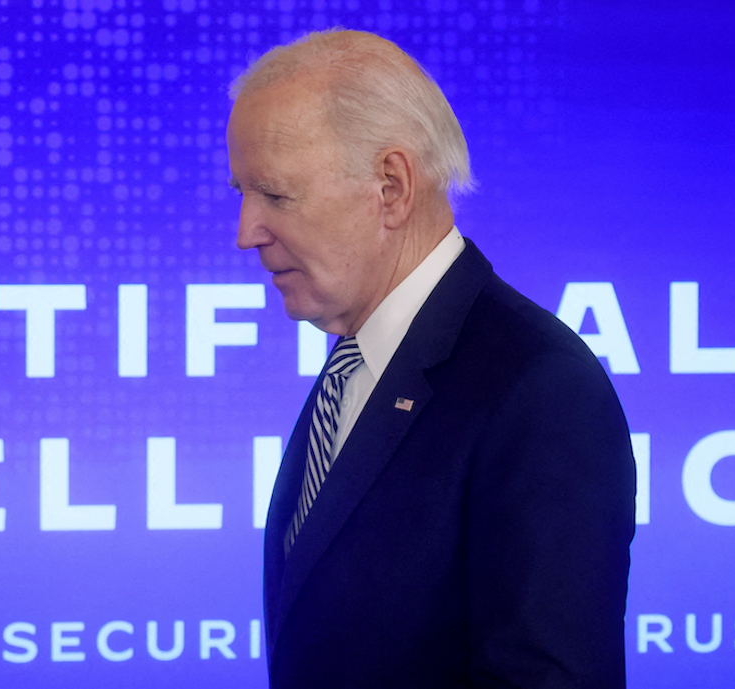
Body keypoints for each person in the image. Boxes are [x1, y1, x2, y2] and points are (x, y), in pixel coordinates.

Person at [227, 30, 635, 688]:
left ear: (391, 185)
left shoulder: (537, 387)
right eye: (240, 192)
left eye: (275, 195)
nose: (246, 232)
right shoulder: (359, 363)